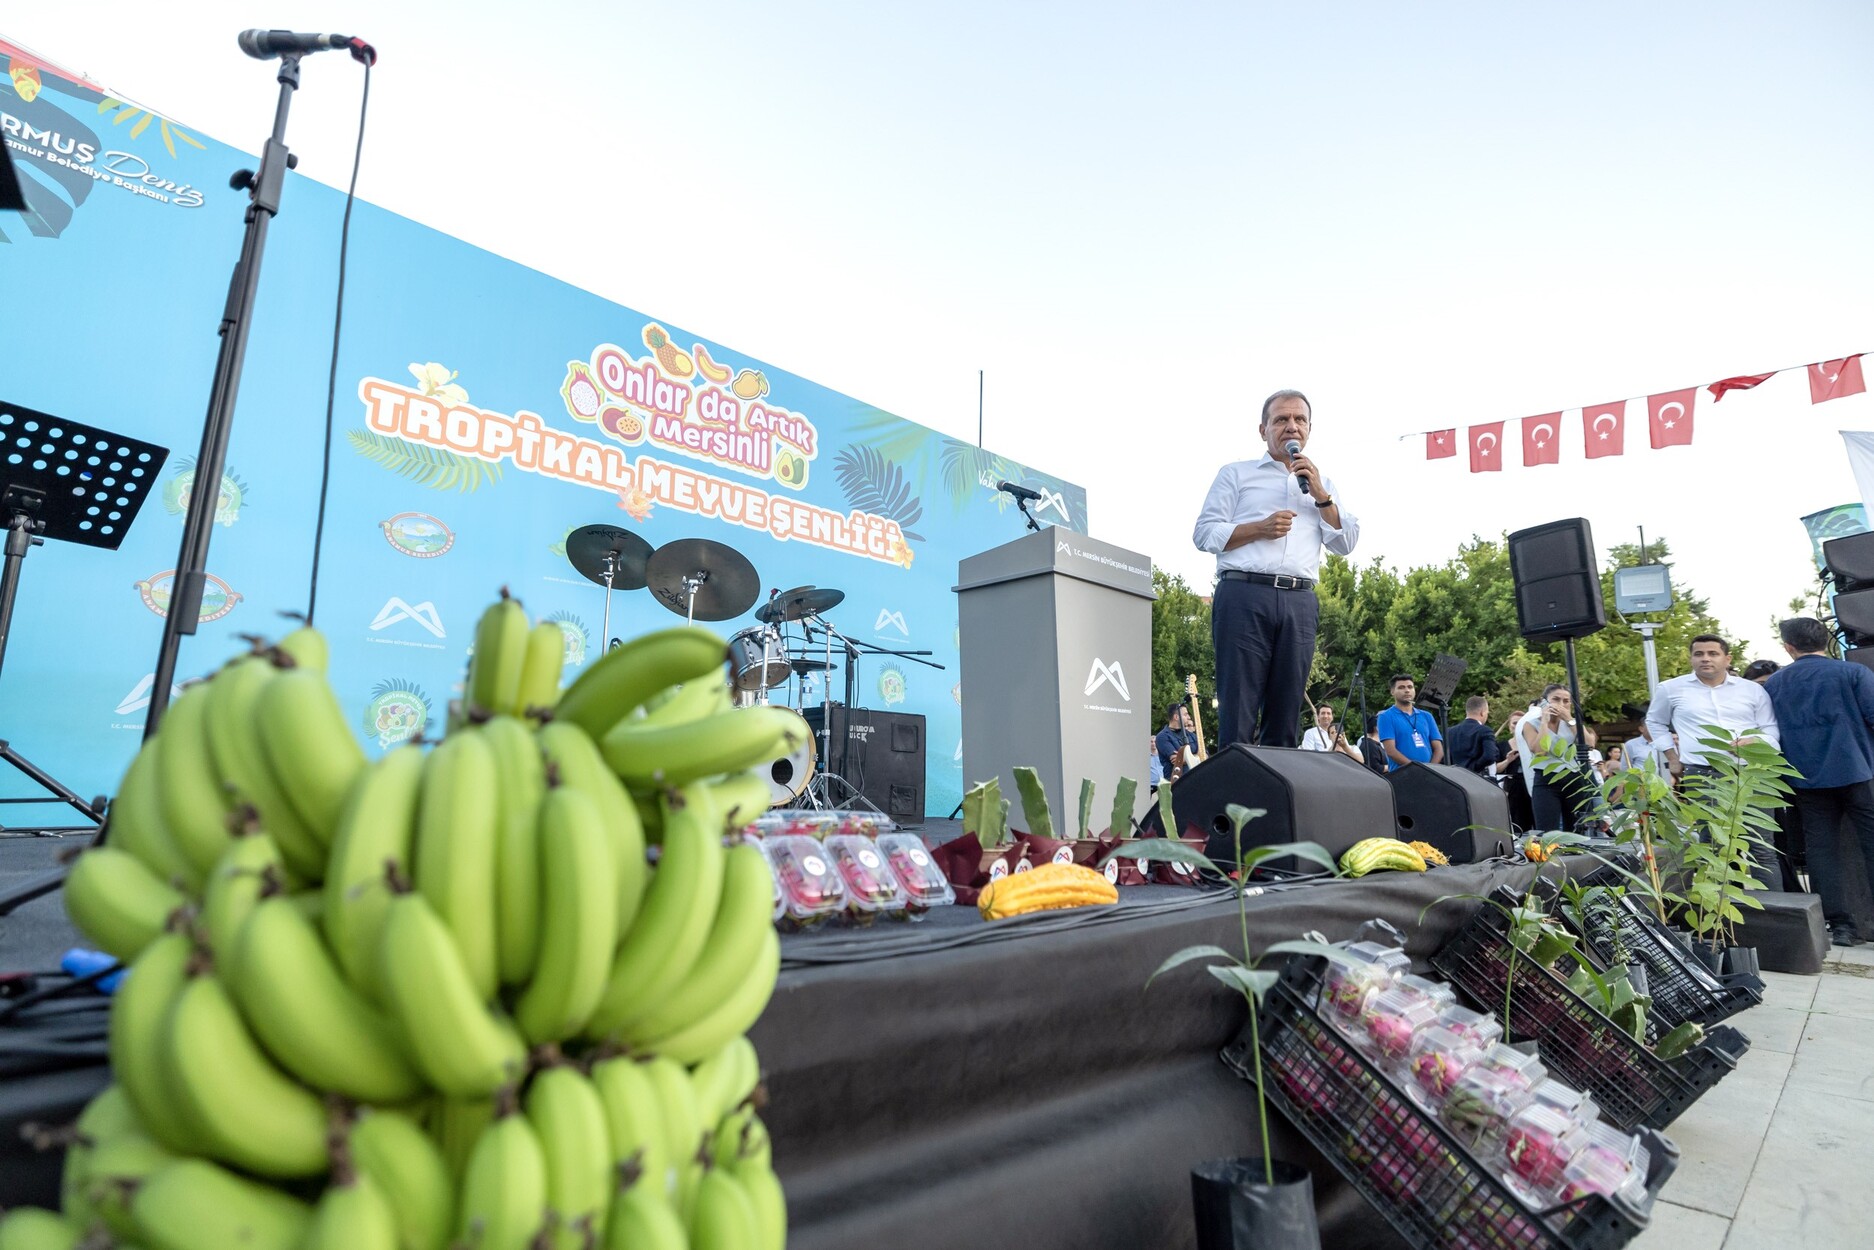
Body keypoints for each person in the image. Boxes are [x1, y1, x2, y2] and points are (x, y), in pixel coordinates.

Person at [1193, 390, 1360, 748]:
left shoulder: (1322, 484)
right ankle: (1232, 800)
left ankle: (1274, 801)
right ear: (1263, 428)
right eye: (1281, 419)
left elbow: (1346, 543)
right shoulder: (1236, 474)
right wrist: (1258, 529)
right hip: (1244, 595)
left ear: (1310, 429)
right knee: (1238, 709)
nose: (1291, 426)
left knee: (1286, 715)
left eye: (1299, 419)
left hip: (1300, 603)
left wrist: (1320, 496)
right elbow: (1204, 534)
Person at [1764, 617, 1874, 946]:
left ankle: (1840, 926)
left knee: (1821, 852)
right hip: (1857, 771)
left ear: (1788, 647)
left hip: (1804, 779)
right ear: (1826, 640)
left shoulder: (1774, 684)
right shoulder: (1854, 673)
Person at [1646, 634, 1781, 886]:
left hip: (1752, 774)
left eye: (1712, 653)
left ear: (1727, 659)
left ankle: (1780, 918)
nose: (1705, 659)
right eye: (1699, 654)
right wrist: (1671, 756)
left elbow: (1771, 730)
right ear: (1691, 658)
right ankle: (1725, 922)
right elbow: (1654, 722)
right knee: (1715, 848)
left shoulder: (1752, 690)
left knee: (1761, 847)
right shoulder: (1671, 689)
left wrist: (1755, 742)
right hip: (1704, 774)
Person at [1518, 685, 1580, 830]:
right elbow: (1540, 752)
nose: (1561, 704)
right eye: (1556, 700)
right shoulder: (1531, 724)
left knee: (1577, 828)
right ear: (1544, 702)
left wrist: (1570, 719)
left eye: (1566, 701)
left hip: (1573, 777)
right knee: (1547, 829)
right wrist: (1544, 722)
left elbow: (1589, 744)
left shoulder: (1572, 723)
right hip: (1546, 779)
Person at [1376, 674, 1443, 771]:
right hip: (1402, 774)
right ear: (1392, 691)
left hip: (1429, 774)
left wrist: (1431, 770)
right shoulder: (1386, 716)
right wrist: (1416, 768)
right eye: (1401, 687)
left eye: (1410, 687)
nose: (1407, 690)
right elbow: (1390, 751)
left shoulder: (1426, 716)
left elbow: (1438, 749)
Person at [1446, 695, 1508, 777]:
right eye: (1487, 713)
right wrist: (1474, 767)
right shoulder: (1484, 730)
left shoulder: (1449, 731)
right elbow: (1490, 756)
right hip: (1479, 779)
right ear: (1482, 712)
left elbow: (1445, 757)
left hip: (1456, 778)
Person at [1154, 703, 1197, 781]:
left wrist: (1186, 757)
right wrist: (1197, 756)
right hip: (1176, 782)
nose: (1189, 717)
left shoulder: (1192, 736)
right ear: (1176, 717)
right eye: (1185, 714)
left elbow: (1205, 755)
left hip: (1195, 779)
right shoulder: (1162, 737)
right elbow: (1176, 760)